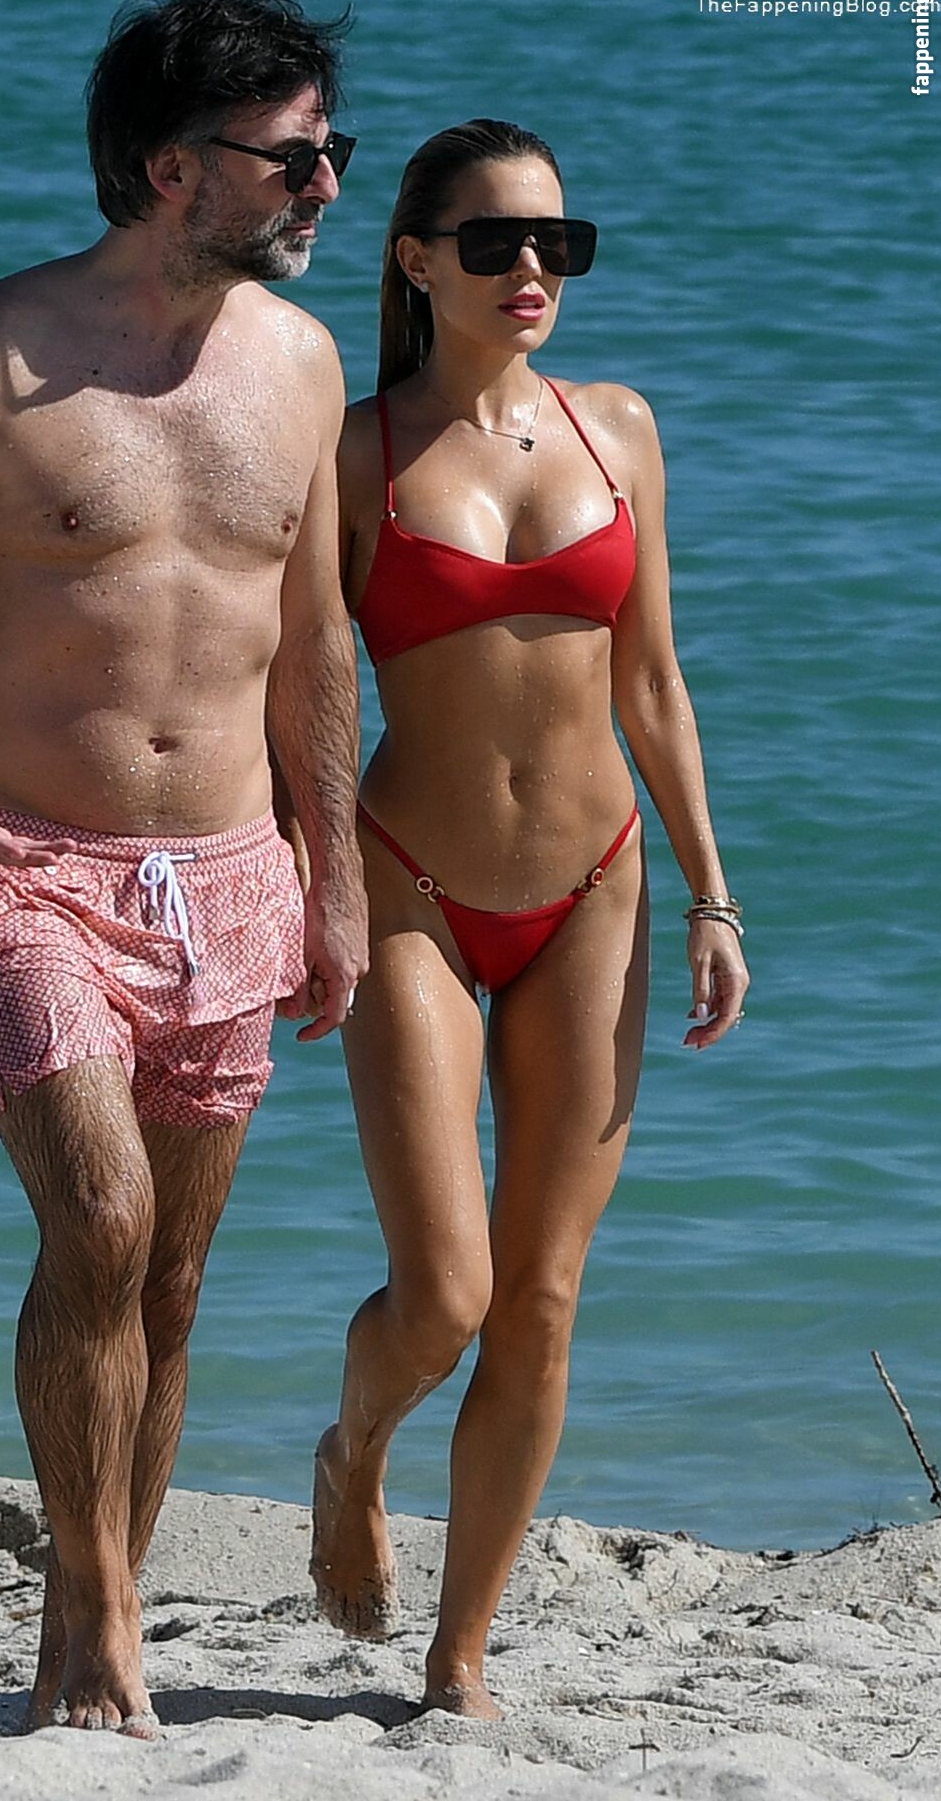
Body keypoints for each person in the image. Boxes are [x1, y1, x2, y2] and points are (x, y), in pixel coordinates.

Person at [0, 0, 368, 1738]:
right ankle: (107, 1618)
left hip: (233, 872)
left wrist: (336, 880)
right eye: (290, 157)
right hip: (20, 865)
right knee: (105, 1223)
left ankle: (85, 1625)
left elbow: (316, 641)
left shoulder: (302, 365)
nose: (325, 187)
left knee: (172, 1278)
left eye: (331, 151)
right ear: (167, 167)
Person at [310, 120, 750, 1717]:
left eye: (556, 244)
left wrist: (712, 895)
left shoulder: (615, 426)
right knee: (444, 1293)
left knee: (543, 1296)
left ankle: (458, 1656)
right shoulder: (350, 454)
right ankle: (352, 1453)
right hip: (409, 890)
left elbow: (654, 682)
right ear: (412, 259)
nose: (529, 271)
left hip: (594, 893)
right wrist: (299, 883)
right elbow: (300, 691)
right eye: (493, 243)